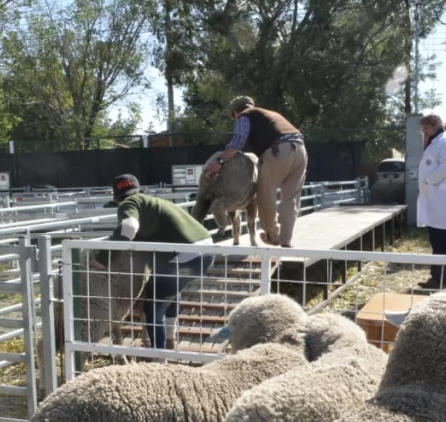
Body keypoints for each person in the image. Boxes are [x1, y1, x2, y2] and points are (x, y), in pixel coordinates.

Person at [106, 174, 214, 349]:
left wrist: (103, 257)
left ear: (116, 198)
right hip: (205, 251)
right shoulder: (157, 202)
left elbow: (128, 228)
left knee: (153, 308)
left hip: (185, 256)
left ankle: (159, 357)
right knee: (170, 293)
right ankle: (170, 342)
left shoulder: (130, 203)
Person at [205, 96, 307, 248]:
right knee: (291, 198)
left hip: (278, 150)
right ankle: (286, 240)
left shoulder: (245, 115)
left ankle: (271, 235)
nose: (235, 120)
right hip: (300, 151)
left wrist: (220, 161)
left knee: (265, 193)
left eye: (233, 117)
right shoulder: (271, 115)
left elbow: (238, 141)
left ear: (235, 112)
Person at [416, 114, 446, 289]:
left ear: (435, 126)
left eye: (426, 128)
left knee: (441, 241)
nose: (424, 132)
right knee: (436, 239)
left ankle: (442, 278)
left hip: (442, 198)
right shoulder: (436, 141)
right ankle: (438, 276)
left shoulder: (445, 142)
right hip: (436, 198)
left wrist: (429, 180)